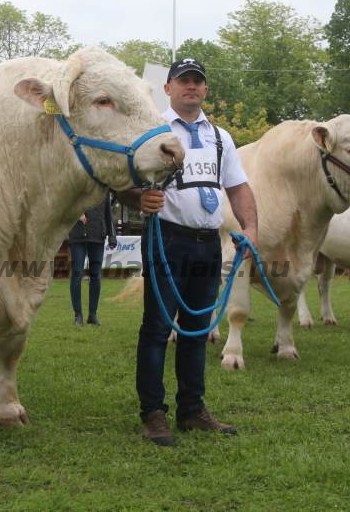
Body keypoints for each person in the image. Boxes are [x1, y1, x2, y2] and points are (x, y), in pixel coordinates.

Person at [117, 57, 257, 446]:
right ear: (168, 88)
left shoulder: (220, 138)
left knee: (198, 330)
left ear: (206, 89)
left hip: (208, 242)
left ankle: (193, 411)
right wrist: (136, 198)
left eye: (197, 81)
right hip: (167, 238)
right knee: (158, 329)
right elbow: (118, 180)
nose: (190, 87)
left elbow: (238, 187)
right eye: (183, 81)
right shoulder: (152, 130)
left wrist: (251, 228)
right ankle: (153, 414)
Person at [67, 192, 117, 326]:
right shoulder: (79, 182)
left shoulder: (104, 190)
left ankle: (92, 315)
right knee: (77, 273)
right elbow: (67, 201)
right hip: (78, 234)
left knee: (96, 276)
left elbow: (108, 213)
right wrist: (77, 211)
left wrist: (112, 236)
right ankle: (78, 316)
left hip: (98, 235)